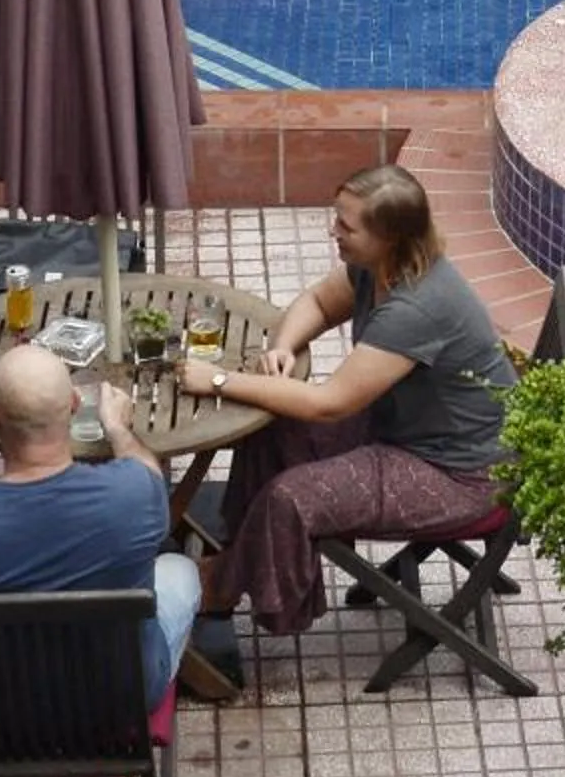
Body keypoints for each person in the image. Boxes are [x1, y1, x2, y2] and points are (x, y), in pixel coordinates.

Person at [171, 163, 516, 700]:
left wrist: (218, 379)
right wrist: (284, 344)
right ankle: (243, 544)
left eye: (347, 226)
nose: (334, 231)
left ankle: (219, 587)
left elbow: (331, 405)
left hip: (462, 473)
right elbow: (314, 303)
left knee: (292, 497)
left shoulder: (418, 306)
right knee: (271, 424)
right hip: (407, 429)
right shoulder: (378, 267)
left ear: (390, 237)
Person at [0, 346, 201, 777]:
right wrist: (118, 428)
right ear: (74, 406)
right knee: (179, 571)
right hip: (119, 697)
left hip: (2, 712)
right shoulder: (132, 496)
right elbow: (147, 470)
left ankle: (32, 775)